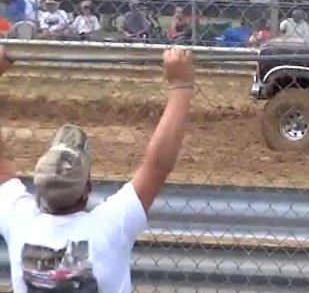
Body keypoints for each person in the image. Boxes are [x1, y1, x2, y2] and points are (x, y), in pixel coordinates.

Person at [0, 47, 196, 293]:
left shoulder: (19, 220)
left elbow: (157, 167)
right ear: (88, 188)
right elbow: (157, 164)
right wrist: (181, 85)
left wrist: (181, 86)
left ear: (38, 189)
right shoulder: (110, 227)